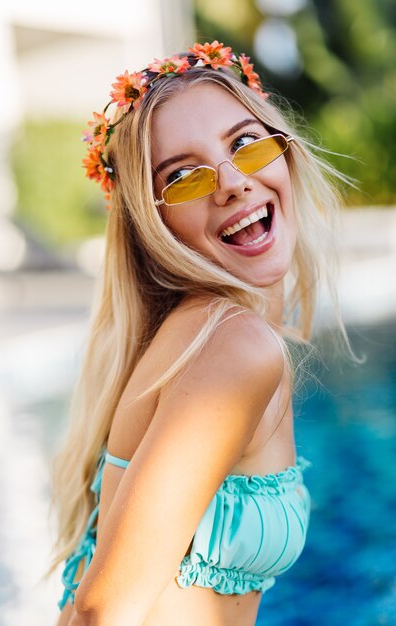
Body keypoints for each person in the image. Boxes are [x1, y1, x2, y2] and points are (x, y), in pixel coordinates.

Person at [47, 40, 350, 626]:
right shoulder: (233, 345)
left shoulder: (196, 335)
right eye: (184, 177)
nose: (232, 182)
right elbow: (102, 613)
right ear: (151, 222)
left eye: (245, 143)